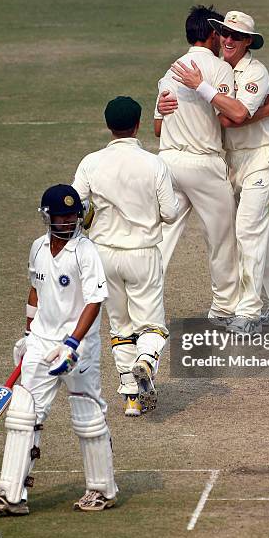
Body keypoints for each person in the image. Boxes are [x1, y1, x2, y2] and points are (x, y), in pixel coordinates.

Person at [0, 184, 116, 515]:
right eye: (61, 216)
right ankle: (11, 495)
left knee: (87, 413)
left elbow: (96, 301)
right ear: (48, 217)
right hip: (42, 341)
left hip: (77, 343)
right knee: (24, 414)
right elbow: (35, 291)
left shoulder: (86, 251)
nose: (68, 221)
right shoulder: (38, 248)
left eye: (73, 215)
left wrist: (72, 343)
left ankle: (101, 490)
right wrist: (28, 334)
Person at [166, 10, 269, 336]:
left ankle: (249, 313)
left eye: (235, 36)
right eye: (224, 33)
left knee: (249, 230)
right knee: (260, 231)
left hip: (261, 157)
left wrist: (204, 88)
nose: (227, 40)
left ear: (248, 41)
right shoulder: (220, 70)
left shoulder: (255, 71)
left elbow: (232, 116)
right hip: (232, 162)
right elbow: (224, 115)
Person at [73, 96, 178, 417]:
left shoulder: (91, 162)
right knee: (151, 326)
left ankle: (132, 398)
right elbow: (171, 213)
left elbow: (76, 206)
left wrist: (95, 216)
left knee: (120, 325)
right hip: (143, 253)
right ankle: (146, 361)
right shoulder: (154, 163)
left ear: (108, 126)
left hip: (103, 255)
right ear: (138, 124)